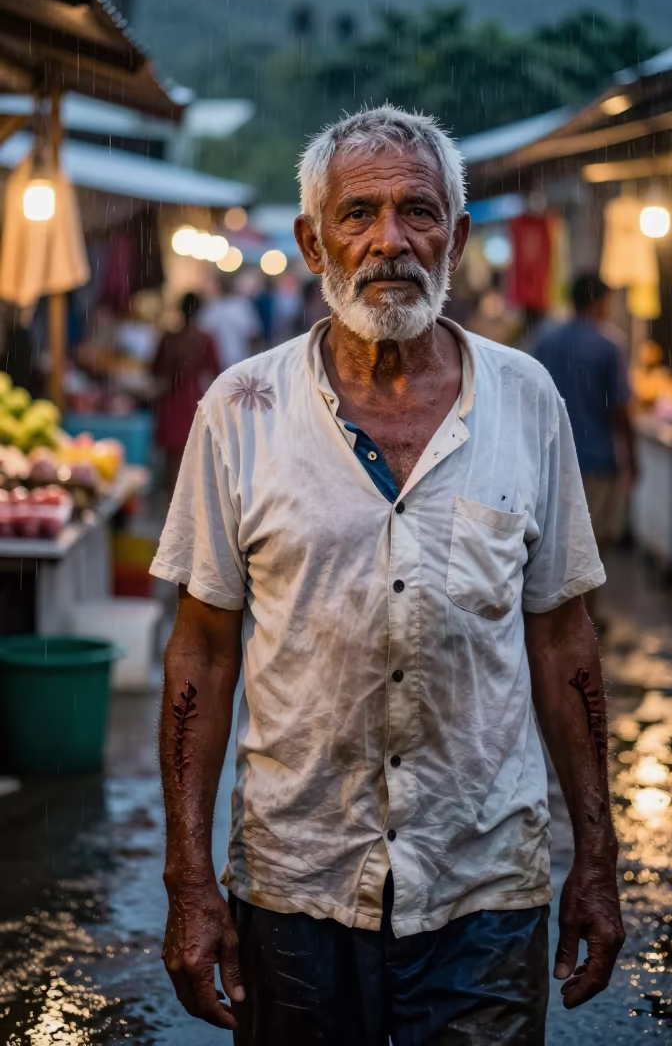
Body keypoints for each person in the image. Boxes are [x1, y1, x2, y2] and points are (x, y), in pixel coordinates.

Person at [151, 107, 624, 1045]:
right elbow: (202, 653)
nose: (390, 240)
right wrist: (189, 878)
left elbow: (564, 637)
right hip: (297, 881)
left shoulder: (527, 398)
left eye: (418, 210)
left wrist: (599, 857)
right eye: (358, 212)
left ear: (456, 230)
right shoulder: (240, 408)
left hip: (484, 884)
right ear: (311, 239)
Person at [534, 273, 637, 591]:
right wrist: (633, 457)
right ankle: (586, 616)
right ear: (597, 301)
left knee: (557, 540)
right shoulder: (609, 345)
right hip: (596, 458)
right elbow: (620, 408)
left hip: (551, 456)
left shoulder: (546, 340)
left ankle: (561, 611)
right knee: (592, 541)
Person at [151, 292, 220, 491]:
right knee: (193, 457)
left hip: (171, 400)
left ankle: (170, 503)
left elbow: (155, 369)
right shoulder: (205, 339)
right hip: (193, 400)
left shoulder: (169, 338)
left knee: (171, 459)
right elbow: (216, 369)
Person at [197, 275, 261, 371]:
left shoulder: (242, 304)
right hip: (220, 363)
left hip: (239, 361)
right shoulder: (212, 306)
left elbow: (252, 334)